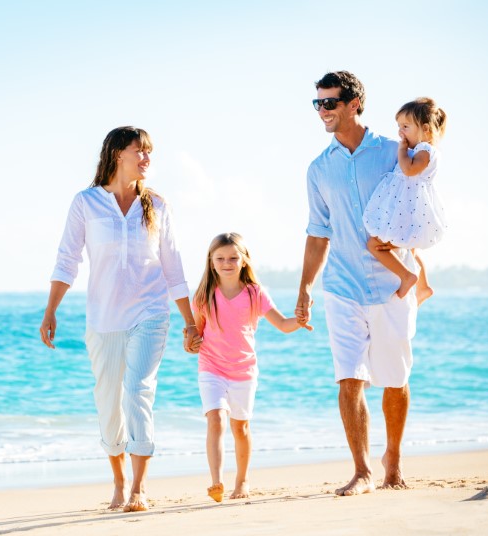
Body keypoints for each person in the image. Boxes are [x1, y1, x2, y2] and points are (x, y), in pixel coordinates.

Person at [39, 126, 199, 513]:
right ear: (116, 155)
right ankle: (119, 480)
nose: (146, 159)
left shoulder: (158, 206)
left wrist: (189, 322)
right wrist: (51, 309)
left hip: (150, 314)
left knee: (137, 391)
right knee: (108, 401)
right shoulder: (86, 203)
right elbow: (68, 259)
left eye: (149, 152)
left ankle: (140, 488)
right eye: (138, 151)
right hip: (104, 318)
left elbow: (173, 267)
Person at [296, 71, 418, 496]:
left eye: (330, 102)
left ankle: (394, 460)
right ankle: (362, 470)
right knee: (349, 377)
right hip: (342, 286)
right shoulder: (318, 169)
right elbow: (317, 233)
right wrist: (305, 290)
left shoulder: (391, 152)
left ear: (353, 104)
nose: (323, 111)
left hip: (391, 286)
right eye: (318, 104)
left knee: (395, 379)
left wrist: (413, 257)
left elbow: (418, 201)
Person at [187, 232, 311, 503]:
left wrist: (299, 320)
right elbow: (196, 332)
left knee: (240, 427)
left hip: (244, 371)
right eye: (220, 258)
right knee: (216, 418)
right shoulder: (204, 294)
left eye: (233, 257)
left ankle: (241, 481)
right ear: (211, 262)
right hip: (211, 367)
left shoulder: (256, 293)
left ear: (244, 261)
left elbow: (282, 324)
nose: (226, 262)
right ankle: (216, 482)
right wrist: (191, 342)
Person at [363, 98, 448, 305]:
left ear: (425, 129)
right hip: (407, 210)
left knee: (374, 244)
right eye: (399, 127)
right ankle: (424, 287)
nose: (400, 132)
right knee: (410, 248)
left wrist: (401, 151)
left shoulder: (425, 151)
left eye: (405, 127)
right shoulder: (420, 150)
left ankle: (407, 276)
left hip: (409, 209)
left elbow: (410, 170)